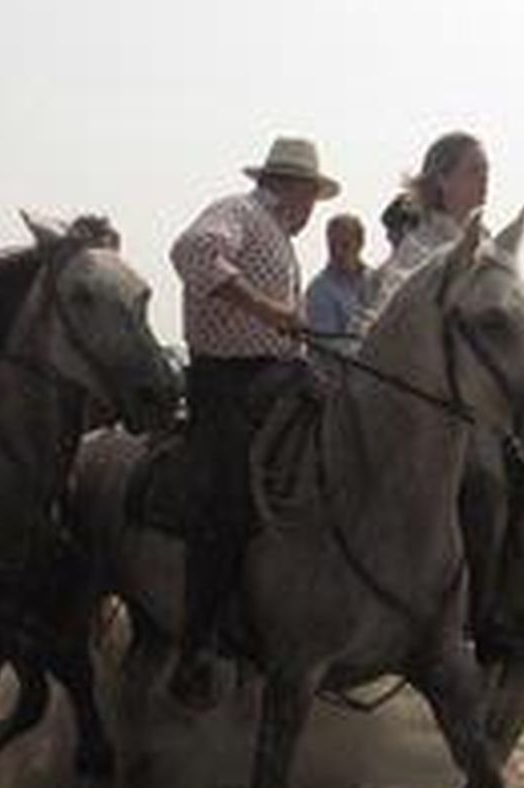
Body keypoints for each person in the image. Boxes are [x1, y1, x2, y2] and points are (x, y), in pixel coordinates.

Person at [168, 136, 339, 709]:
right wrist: (267, 309)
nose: (314, 206)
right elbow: (191, 252)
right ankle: (198, 648)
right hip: (228, 382)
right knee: (229, 500)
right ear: (291, 187)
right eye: (312, 193)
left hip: (282, 377)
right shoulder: (237, 212)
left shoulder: (282, 239)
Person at [362, 132, 487, 322]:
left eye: (486, 170)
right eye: (474, 171)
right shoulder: (419, 252)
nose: (484, 178)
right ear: (442, 180)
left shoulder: (486, 243)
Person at [305, 213, 369, 354]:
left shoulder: (378, 282)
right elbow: (327, 350)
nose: (338, 252)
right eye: (332, 246)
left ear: (360, 244)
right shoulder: (319, 290)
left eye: (345, 245)